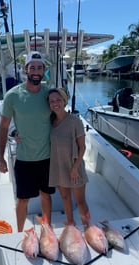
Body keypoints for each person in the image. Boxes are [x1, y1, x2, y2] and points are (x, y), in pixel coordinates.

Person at [0, 51, 55, 232]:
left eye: (39, 68)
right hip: (24, 158)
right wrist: (0, 157)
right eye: (32, 68)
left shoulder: (50, 94)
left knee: (46, 195)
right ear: (26, 70)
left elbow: (60, 119)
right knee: (22, 200)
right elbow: (4, 127)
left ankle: (47, 230)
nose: (36, 71)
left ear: (44, 70)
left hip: (47, 157)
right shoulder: (12, 96)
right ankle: (20, 232)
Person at [47, 87, 90, 227]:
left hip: (74, 167)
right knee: (65, 198)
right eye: (52, 101)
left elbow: (82, 147)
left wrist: (75, 168)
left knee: (80, 202)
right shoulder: (50, 122)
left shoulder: (74, 121)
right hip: (59, 167)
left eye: (58, 100)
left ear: (64, 101)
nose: (55, 103)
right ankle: (70, 224)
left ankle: (87, 226)